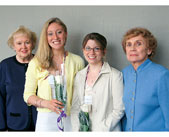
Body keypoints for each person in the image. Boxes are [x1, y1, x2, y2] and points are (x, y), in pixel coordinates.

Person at [23, 17, 84, 132]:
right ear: (46, 37)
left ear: (65, 34)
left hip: (71, 119)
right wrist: (46, 103)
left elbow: (82, 93)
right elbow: (27, 96)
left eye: (59, 32)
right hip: (46, 120)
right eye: (50, 34)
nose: (55, 37)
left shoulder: (78, 62)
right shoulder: (36, 62)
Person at [71, 32, 124, 131]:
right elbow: (75, 107)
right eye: (88, 48)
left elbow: (119, 109)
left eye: (96, 48)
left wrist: (100, 130)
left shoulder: (115, 75)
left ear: (104, 51)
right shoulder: (79, 76)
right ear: (83, 50)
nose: (91, 52)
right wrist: (77, 129)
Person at [121, 27, 169, 131]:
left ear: (149, 50)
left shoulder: (162, 75)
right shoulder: (124, 73)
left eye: (138, 44)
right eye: (129, 44)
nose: (132, 48)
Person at [0, 26, 37, 131]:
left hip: (40, 123)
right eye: (19, 43)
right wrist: (1, 127)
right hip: (15, 123)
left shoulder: (42, 63)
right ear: (13, 46)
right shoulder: (5, 66)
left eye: (27, 42)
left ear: (33, 44)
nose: (23, 47)